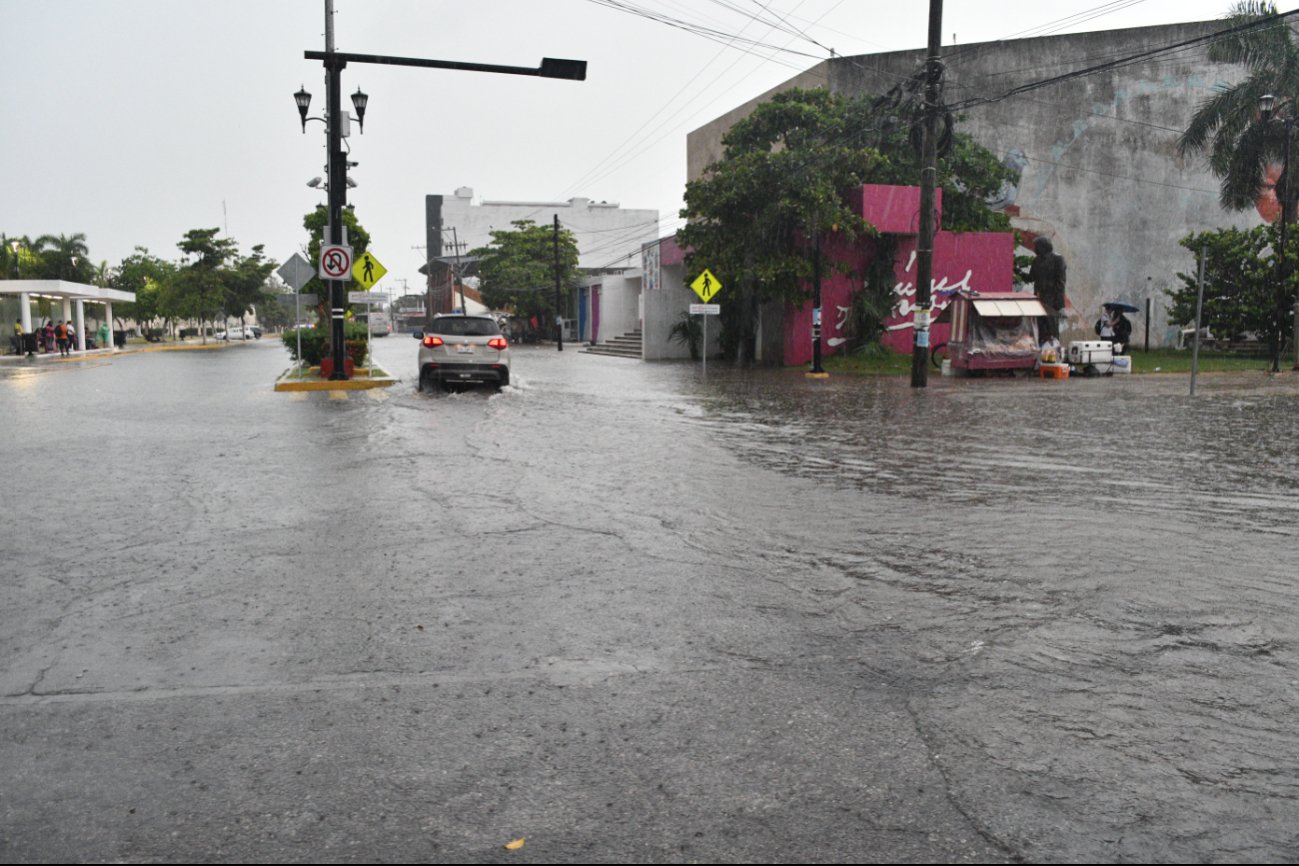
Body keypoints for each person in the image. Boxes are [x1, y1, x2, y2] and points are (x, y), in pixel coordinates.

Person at [1020, 236, 1067, 343]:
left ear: (1043, 247)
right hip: (1039, 299)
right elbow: (1031, 278)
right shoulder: (1036, 261)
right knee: (1039, 328)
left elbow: (1060, 283)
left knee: (1052, 328)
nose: (1034, 249)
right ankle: (1041, 349)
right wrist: (1018, 272)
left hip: (1052, 300)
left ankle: (1054, 350)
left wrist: (1060, 305)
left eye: (1036, 247)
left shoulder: (1058, 259)